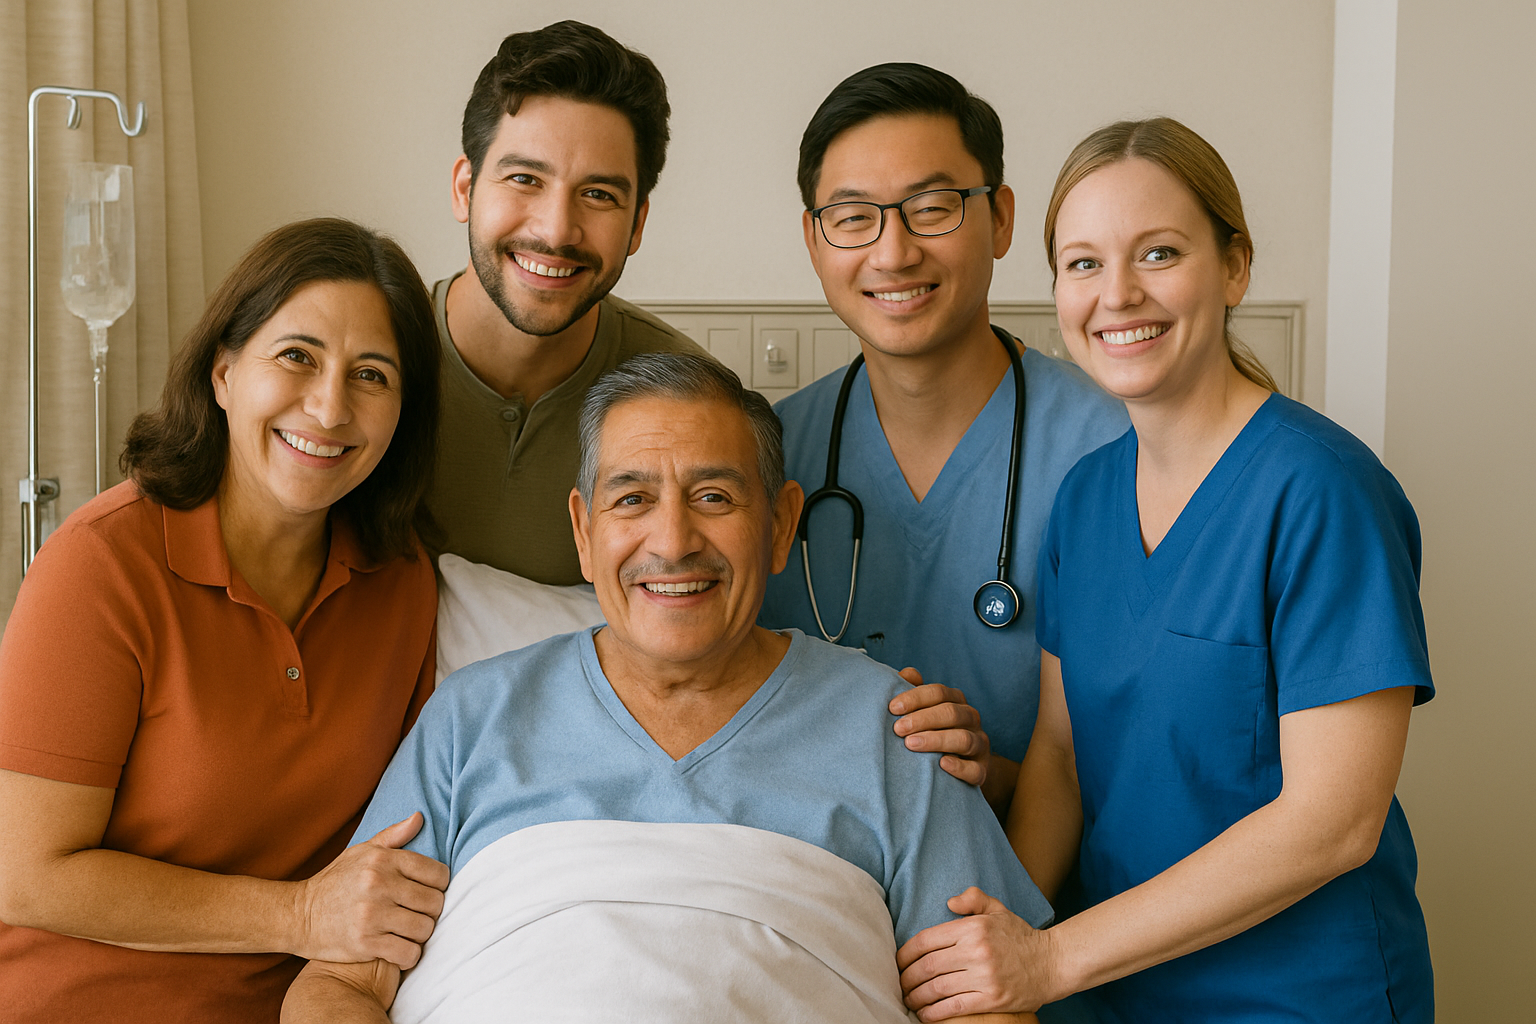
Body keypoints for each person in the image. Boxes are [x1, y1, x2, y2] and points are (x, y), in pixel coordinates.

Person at [283, 353, 1051, 1024]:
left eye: (714, 497)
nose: (673, 541)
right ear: (584, 533)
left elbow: (988, 1006)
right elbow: (338, 986)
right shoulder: (471, 718)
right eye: (632, 498)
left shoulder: (896, 730)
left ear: (782, 525)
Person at [896, 118, 1434, 1023]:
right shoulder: (1087, 499)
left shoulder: (1321, 491)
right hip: (1113, 989)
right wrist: (1006, 953)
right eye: (1083, 264)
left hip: (1297, 996)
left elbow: (1334, 824)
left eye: (1159, 253)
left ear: (1235, 267)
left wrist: (1050, 959)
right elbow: (1063, 763)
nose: (1119, 295)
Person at [0, 219, 452, 1023]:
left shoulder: (405, 581)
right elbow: (25, 873)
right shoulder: (101, 566)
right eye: (296, 357)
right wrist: (298, 914)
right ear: (223, 373)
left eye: (372, 375)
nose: (329, 405)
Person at [759, 63, 1129, 811]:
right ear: (813, 239)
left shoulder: (1113, 449)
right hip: (817, 888)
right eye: (854, 216)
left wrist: (985, 775)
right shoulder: (766, 458)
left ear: (1001, 220)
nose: (893, 253)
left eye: (932, 207)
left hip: (1060, 896)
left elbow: (1140, 755)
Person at [427, 19, 705, 585]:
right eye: (525, 178)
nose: (557, 231)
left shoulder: (685, 395)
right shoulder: (362, 365)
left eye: (598, 195)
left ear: (637, 224)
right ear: (465, 189)